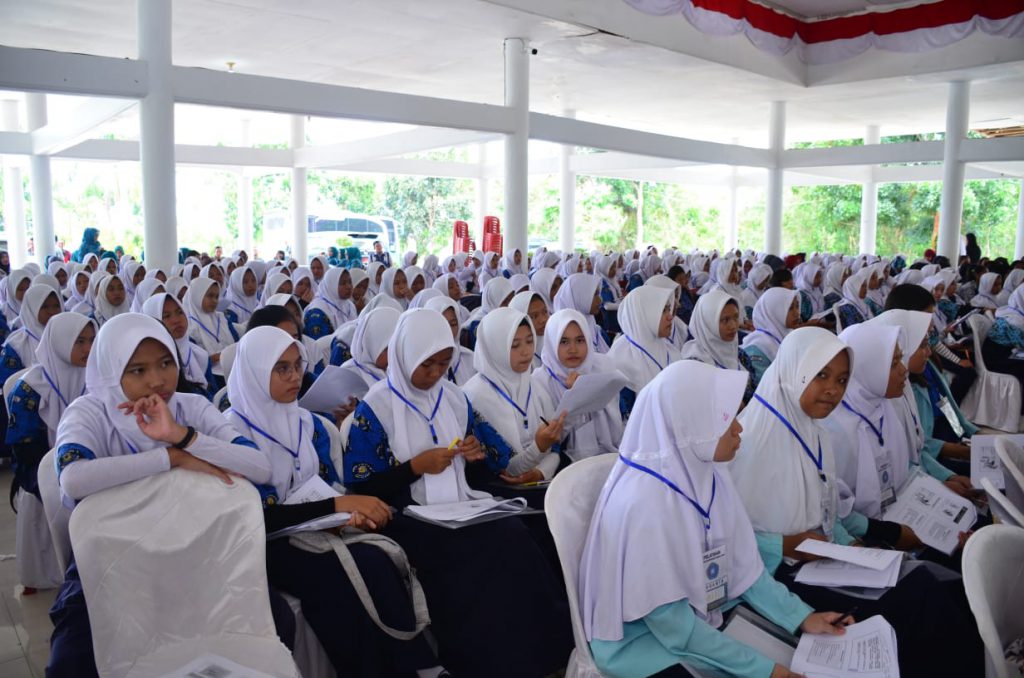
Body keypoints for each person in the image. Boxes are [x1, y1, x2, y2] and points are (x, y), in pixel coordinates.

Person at [730, 327, 984, 678]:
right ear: (792, 372)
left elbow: (827, 509)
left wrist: (856, 549)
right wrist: (786, 545)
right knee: (918, 596)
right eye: (821, 375)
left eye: (842, 379)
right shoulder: (748, 443)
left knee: (929, 581)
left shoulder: (813, 431)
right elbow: (730, 544)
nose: (833, 390)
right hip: (775, 576)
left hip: (823, 557)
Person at [580, 360, 851, 678]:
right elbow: (675, 628)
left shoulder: (709, 475)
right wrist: (766, 671)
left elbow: (747, 569)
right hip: (642, 643)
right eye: (725, 419)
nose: (739, 428)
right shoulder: (644, 507)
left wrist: (802, 618)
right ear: (690, 423)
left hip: (704, 617)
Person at [342, 309, 573, 677]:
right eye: (427, 364)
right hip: (407, 514)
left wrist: (473, 455)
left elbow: (485, 471)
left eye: (443, 363)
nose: (436, 373)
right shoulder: (377, 407)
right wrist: (416, 467)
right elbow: (362, 484)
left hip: (460, 505)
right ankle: (481, 662)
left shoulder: (453, 398)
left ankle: (542, 653)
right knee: (469, 553)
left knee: (515, 535)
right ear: (405, 356)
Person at [46, 313, 279, 675]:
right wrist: (171, 458)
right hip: (113, 555)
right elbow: (73, 478)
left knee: (271, 625)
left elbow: (260, 467)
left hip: (197, 544)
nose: (157, 380)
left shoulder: (190, 407)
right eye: (137, 370)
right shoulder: (89, 412)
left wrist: (181, 436)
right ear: (111, 371)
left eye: (166, 363)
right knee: (72, 659)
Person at [225, 326, 444, 677]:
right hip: (264, 543)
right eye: (281, 368)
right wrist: (337, 508)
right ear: (254, 371)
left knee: (382, 552)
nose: (295, 376)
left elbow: (327, 486)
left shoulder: (306, 423)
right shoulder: (231, 433)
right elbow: (254, 516)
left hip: (316, 528)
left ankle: (417, 664)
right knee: (341, 573)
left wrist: (346, 512)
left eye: (298, 365)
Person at [6, 313, 96, 592]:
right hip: (41, 473)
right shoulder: (30, 389)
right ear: (60, 342)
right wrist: (56, 479)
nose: (88, 349)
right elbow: (25, 448)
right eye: (79, 341)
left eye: (92, 340)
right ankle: (42, 576)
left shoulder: (98, 377)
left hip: (88, 467)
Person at [463, 308, 565, 484]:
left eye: (529, 341)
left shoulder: (534, 385)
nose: (526, 352)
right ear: (495, 348)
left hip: (543, 482)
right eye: (515, 345)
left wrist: (541, 472)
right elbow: (505, 470)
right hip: (499, 491)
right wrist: (539, 447)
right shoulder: (475, 397)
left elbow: (555, 447)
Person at [532, 309, 623, 462]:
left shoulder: (602, 367)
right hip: (563, 462)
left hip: (610, 454)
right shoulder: (540, 380)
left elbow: (616, 421)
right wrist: (576, 395)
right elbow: (551, 439)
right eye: (564, 342)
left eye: (580, 340)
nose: (573, 349)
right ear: (552, 342)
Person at [606, 285, 679, 420]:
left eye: (669, 309)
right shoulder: (620, 362)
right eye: (663, 311)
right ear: (643, 315)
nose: (670, 317)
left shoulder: (670, 350)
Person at [681, 289, 756, 399]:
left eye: (736, 317)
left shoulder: (740, 355)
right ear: (708, 323)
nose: (733, 326)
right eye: (725, 320)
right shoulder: (694, 365)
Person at [142, 293, 217, 400]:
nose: (176, 320)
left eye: (180, 312)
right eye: (166, 316)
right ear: (153, 323)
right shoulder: (149, 365)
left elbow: (214, 395)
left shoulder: (199, 355)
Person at [741, 287, 799, 384]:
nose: (797, 313)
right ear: (774, 311)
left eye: (797, 306)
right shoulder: (758, 348)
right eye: (790, 308)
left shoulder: (789, 334)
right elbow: (764, 386)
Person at [552, 273, 610, 354]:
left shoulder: (596, 330)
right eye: (594, 295)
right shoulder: (561, 337)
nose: (600, 300)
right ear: (579, 297)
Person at [303, 267, 357, 339]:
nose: (349, 287)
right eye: (343, 283)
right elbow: (319, 343)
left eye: (350, 282)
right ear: (331, 285)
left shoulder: (350, 305)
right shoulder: (317, 311)